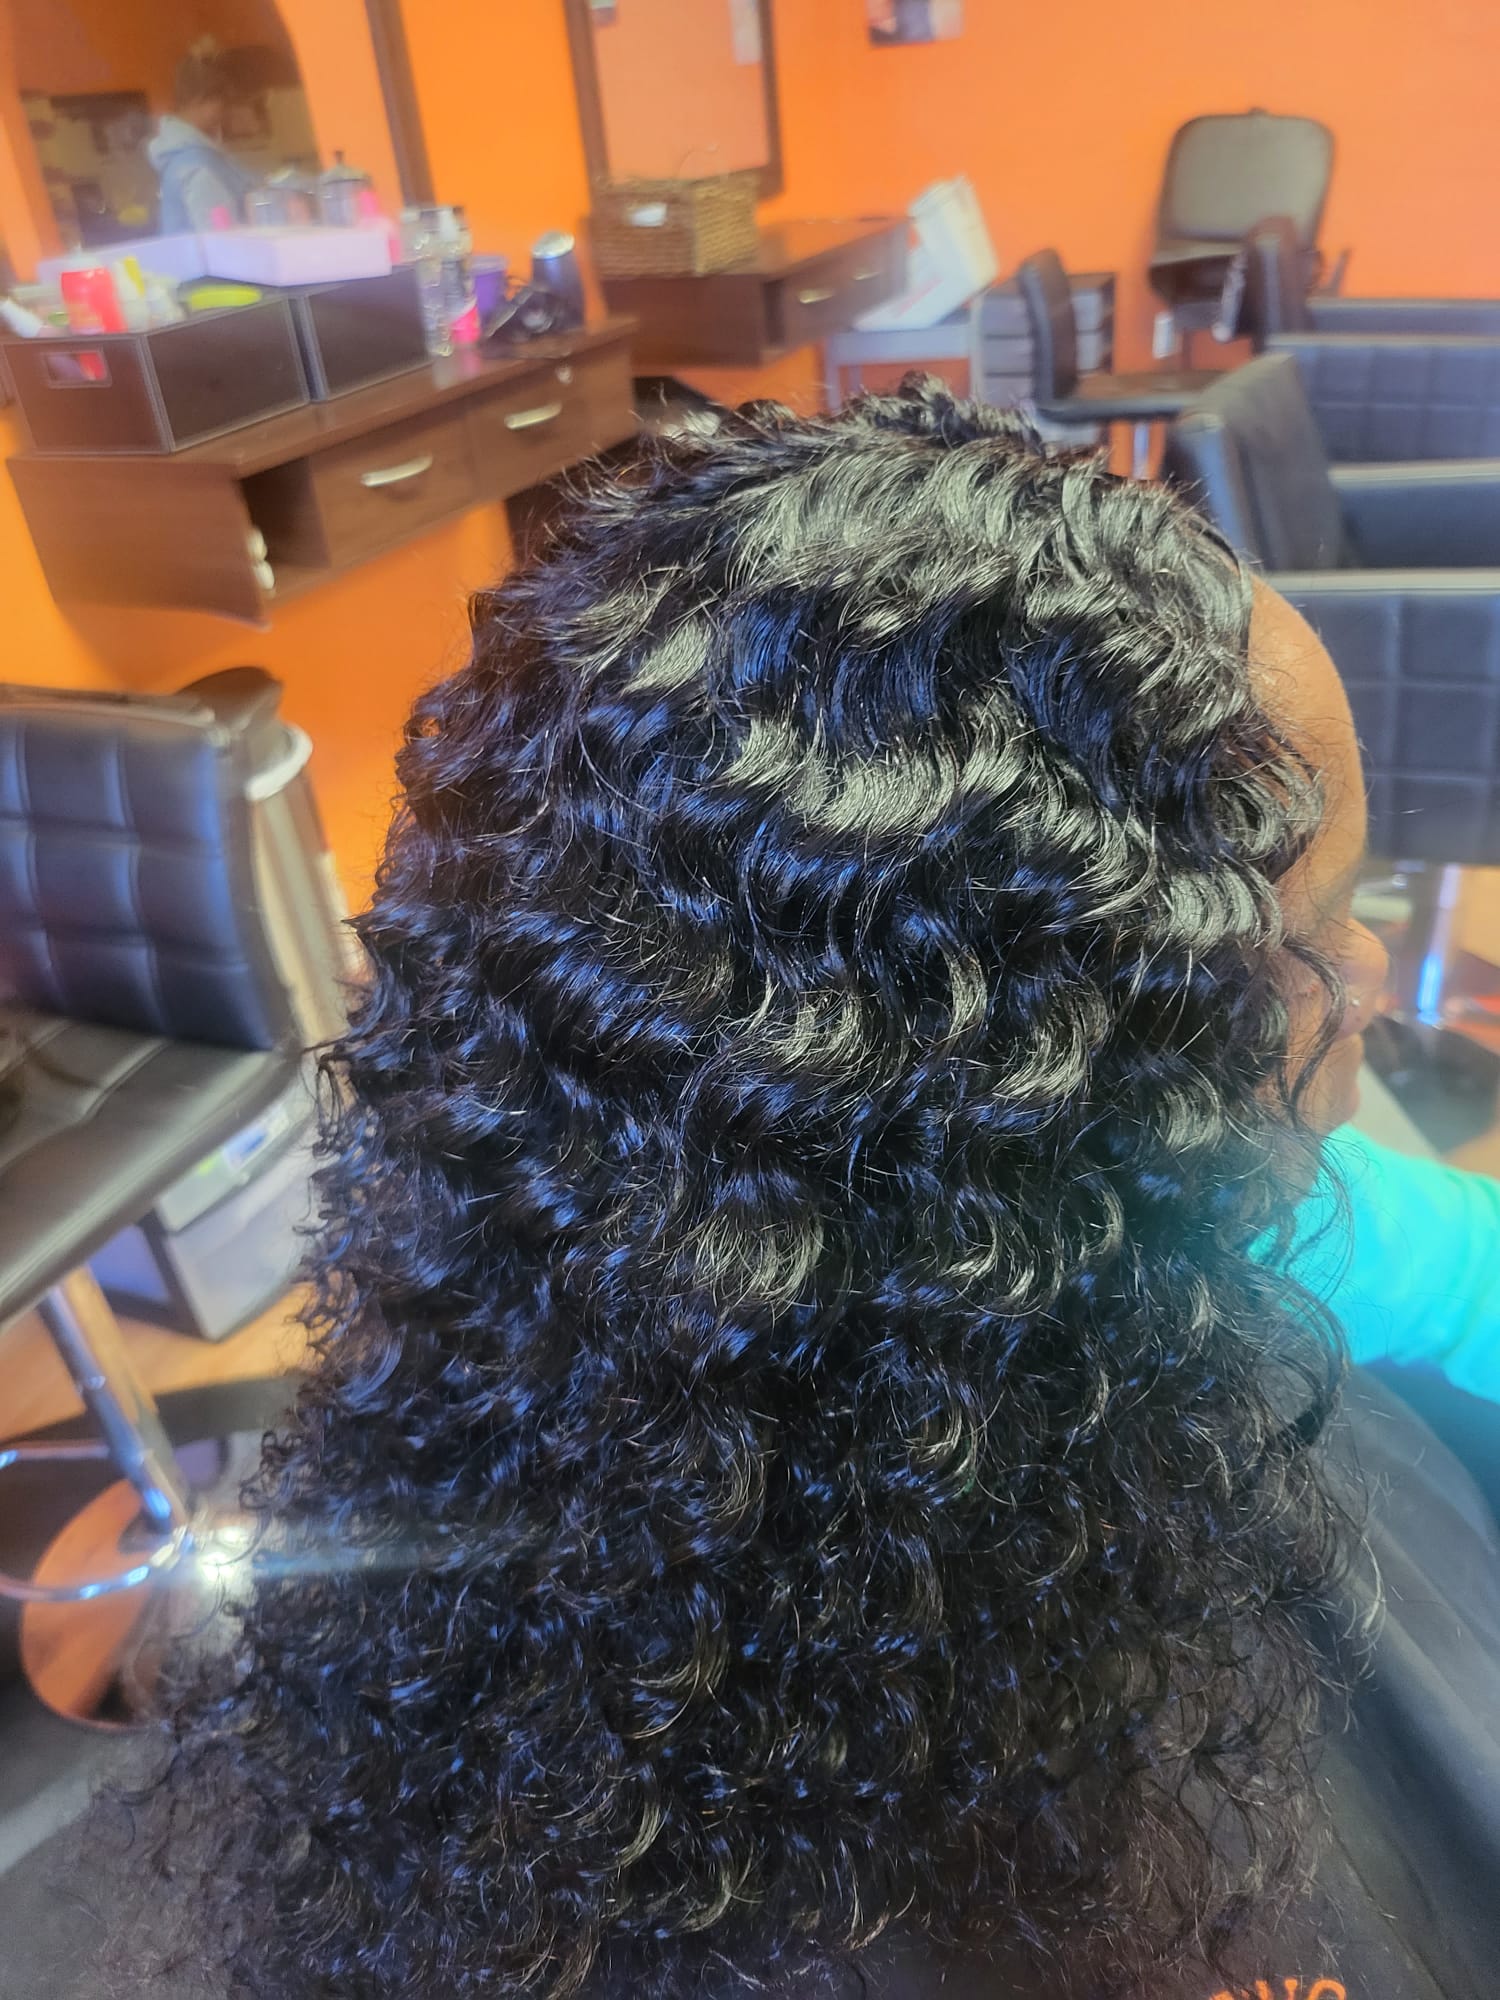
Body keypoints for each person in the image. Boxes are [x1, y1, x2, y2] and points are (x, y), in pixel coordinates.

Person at [121, 380, 1500, 1999]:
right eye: (1317, 937)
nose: (1370, 993)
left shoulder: (1201, 1228)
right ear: (1044, 1106)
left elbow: (1435, 1258)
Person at [148, 42, 253, 234]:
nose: (225, 112)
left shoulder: (183, 156)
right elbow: (220, 236)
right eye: (223, 103)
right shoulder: (198, 166)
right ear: (200, 99)